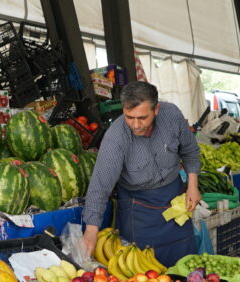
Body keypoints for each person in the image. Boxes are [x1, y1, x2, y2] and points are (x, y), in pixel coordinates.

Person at [82, 81, 201, 267]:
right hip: (138, 210)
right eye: (129, 117)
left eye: (142, 118)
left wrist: (193, 186)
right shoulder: (115, 138)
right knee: (143, 273)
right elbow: (100, 185)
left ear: (156, 109)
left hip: (175, 200)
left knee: (185, 268)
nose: (136, 125)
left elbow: (190, 151)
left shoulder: (172, 115)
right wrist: (91, 230)